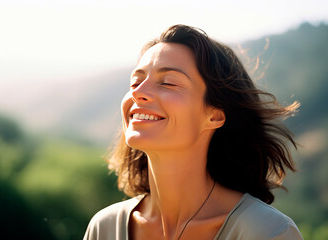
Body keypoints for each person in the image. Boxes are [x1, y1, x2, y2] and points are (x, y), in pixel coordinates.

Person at [84, 24, 303, 240]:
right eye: (135, 82)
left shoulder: (267, 232)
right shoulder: (104, 228)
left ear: (214, 115)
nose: (138, 93)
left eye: (168, 83)